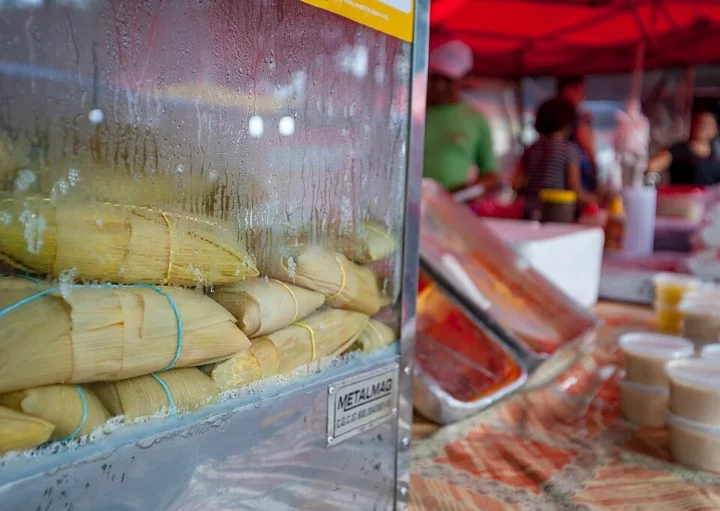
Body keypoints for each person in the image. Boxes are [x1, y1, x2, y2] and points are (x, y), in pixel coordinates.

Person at [423, 40, 497, 192]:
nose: (439, 85)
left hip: (451, 207)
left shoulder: (476, 119)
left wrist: (471, 189)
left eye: (448, 80)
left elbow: (490, 174)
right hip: (407, 205)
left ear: (464, 80)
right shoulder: (412, 113)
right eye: (435, 78)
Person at [513, 97, 597, 220]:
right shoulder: (569, 150)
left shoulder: (531, 149)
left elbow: (516, 185)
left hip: (529, 213)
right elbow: (575, 190)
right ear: (567, 124)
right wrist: (593, 198)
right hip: (558, 213)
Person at [647, 111, 720, 185]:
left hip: (709, 195)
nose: (702, 126)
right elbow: (651, 166)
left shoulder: (716, 156)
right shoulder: (678, 150)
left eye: (707, 124)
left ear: (715, 130)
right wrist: (651, 181)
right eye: (699, 122)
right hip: (683, 195)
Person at [557, 76, 597, 193]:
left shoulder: (578, 118)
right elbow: (588, 147)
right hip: (576, 181)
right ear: (567, 90)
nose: (583, 97)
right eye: (579, 91)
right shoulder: (577, 120)